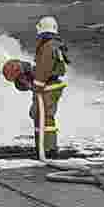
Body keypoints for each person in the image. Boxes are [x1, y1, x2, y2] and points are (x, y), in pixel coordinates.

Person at [29, 15, 70, 158]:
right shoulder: (53, 44)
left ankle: (48, 149)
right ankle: (43, 147)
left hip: (48, 85)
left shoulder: (48, 46)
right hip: (50, 84)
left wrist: (37, 85)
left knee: (45, 116)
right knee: (38, 114)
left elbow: (45, 68)